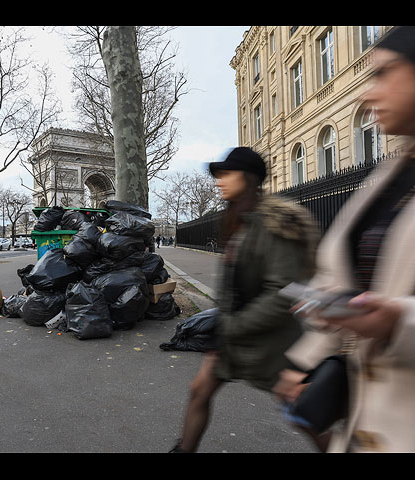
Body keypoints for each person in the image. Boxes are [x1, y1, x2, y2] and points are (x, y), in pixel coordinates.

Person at [274, 26, 415, 453]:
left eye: (384, 73)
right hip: (368, 424)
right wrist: (306, 361)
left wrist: (397, 320)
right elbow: (345, 279)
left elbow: (386, 307)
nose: (366, 94)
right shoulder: (388, 175)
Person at [169, 147, 318, 453]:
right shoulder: (241, 220)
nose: (218, 182)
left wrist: (234, 325)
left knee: (304, 415)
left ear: (248, 178)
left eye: (227, 174)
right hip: (235, 339)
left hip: (272, 342)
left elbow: (284, 291)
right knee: (199, 390)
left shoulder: (274, 225)